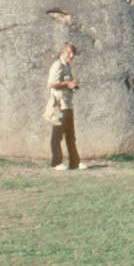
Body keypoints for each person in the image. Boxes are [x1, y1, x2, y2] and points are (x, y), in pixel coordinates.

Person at [47, 42, 87, 170]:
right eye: (69, 52)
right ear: (62, 52)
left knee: (71, 135)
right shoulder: (57, 65)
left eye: (73, 53)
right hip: (60, 105)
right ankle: (56, 162)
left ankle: (74, 162)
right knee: (57, 135)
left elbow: (65, 83)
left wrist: (72, 85)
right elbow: (51, 84)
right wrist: (67, 84)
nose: (72, 55)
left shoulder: (67, 66)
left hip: (68, 104)